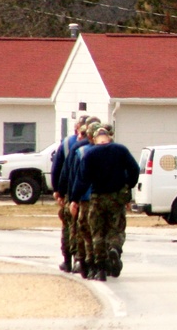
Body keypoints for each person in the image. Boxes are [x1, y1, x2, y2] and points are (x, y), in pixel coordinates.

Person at [69, 124, 139, 282]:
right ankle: (114, 248)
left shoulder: (90, 153)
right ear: (109, 137)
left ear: (94, 139)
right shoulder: (121, 150)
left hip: (97, 198)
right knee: (116, 229)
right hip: (116, 197)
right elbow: (134, 169)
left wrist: (74, 199)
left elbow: (82, 179)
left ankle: (100, 269)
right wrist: (128, 186)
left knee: (97, 233)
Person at [54, 116, 100, 274]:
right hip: (99, 195)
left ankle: (74, 260)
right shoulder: (112, 147)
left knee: (74, 228)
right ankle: (96, 261)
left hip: (77, 193)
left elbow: (64, 170)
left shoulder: (73, 147)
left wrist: (60, 191)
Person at [51, 115, 87, 272]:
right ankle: (81, 259)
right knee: (82, 227)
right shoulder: (96, 145)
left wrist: (58, 190)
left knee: (68, 227)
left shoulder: (67, 144)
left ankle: (68, 260)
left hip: (69, 192)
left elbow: (58, 169)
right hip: (85, 193)